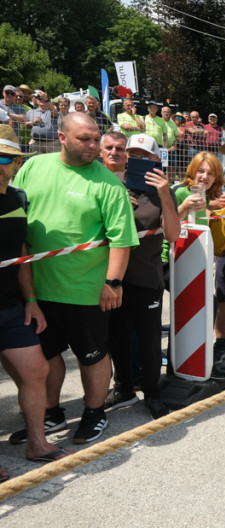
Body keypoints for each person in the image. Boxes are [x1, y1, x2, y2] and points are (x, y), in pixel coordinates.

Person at [12, 113, 138, 444]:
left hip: (86, 291)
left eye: (96, 139)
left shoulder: (109, 185)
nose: (94, 146)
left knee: (92, 355)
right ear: (63, 138)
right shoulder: (34, 167)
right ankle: (50, 414)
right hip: (38, 290)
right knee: (48, 355)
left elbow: (121, 240)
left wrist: (113, 283)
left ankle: (94, 413)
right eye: (85, 139)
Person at [0, 125, 70, 468]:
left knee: (37, 370)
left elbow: (22, 253)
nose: (1, 164)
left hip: (12, 307)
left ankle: (37, 444)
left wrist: (30, 301)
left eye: (7, 158)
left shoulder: (17, 198)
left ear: (15, 163)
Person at [101, 133, 179, 419]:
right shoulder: (111, 184)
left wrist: (164, 196)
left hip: (146, 276)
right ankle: (124, 389)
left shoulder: (163, 189)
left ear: (157, 159)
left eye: (146, 156)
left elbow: (172, 234)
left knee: (148, 339)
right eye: (134, 154)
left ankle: (152, 392)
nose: (139, 160)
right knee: (116, 336)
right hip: (111, 277)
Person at [168, 152, 225, 364]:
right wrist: (184, 207)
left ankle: (193, 361)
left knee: (207, 304)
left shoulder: (208, 197)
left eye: (210, 173)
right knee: (190, 307)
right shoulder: (179, 191)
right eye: (201, 171)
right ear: (192, 171)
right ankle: (177, 362)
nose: (204, 176)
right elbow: (165, 225)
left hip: (194, 260)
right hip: (169, 259)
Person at [25, 90, 59, 155]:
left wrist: (46, 98)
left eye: (43, 98)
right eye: (39, 98)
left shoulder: (51, 110)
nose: (42, 100)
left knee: (52, 163)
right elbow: (25, 125)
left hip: (51, 143)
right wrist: (33, 122)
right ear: (36, 100)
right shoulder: (30, 112)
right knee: (36, 163)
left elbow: (54, 113)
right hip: (35, 142)